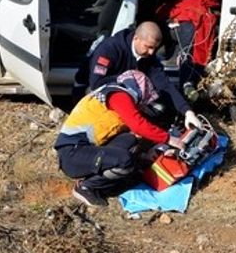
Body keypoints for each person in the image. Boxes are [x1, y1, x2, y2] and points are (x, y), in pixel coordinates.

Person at [54, 70, 184, 206]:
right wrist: (169, 139)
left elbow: (135, 131)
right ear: (137, 88)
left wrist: (150, 152)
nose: (142, 104)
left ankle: (117, 175)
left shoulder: (114, 93)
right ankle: (86, 187)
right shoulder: (118, 95)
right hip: (72, 153)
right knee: (124, 160)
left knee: (130, 141)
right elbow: (138, 124)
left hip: (83, 149)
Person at [74, 21, 203, 130]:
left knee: (160, 108)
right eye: (148, 47)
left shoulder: (148, 56)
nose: (151, 52)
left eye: (155, 48)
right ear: (136, 38)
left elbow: (165, 85)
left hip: (124, 92)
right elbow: (96, 83)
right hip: (91, 90)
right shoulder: (109, 49)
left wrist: (187, 111)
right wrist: (129, 79)